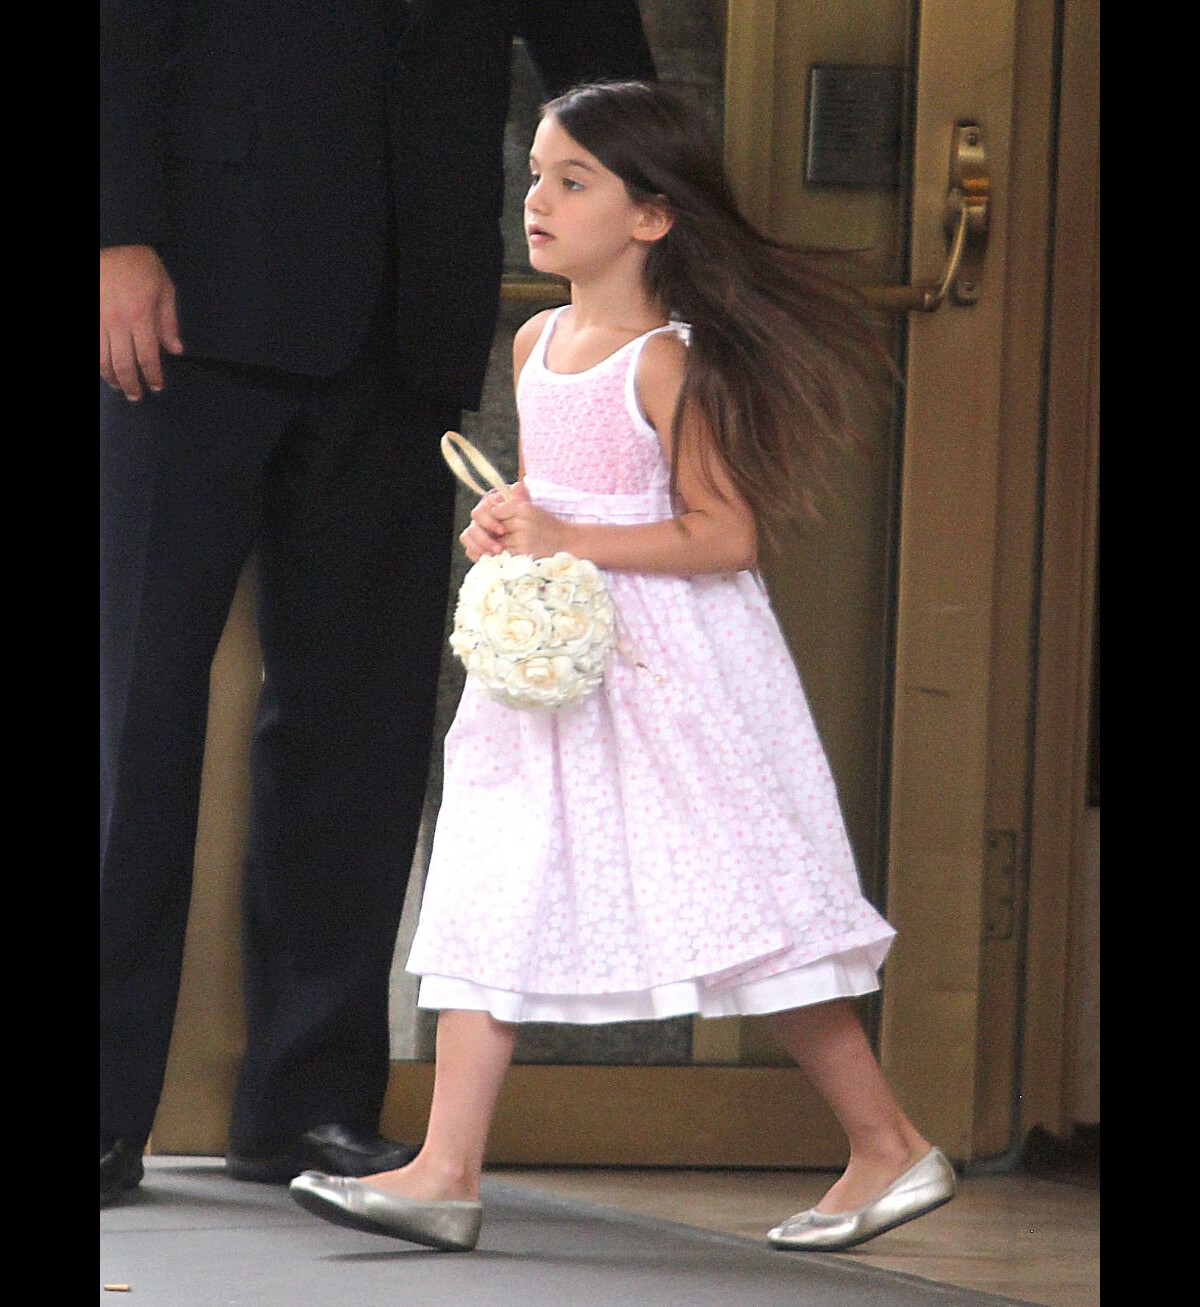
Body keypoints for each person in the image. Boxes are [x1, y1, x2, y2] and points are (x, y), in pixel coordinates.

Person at [288, 79, 957, 1254]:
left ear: (652, 215)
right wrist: (510, 521)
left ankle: (888, 1141)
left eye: (572, 181)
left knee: (746, 900)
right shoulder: (539, 340)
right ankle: (445, 1165)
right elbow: (558, 503)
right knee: (484, 879)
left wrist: (567, 534)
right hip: (549, 675)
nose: (536, 200)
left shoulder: (669, 358)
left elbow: (723, 535)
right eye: (536, 174)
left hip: (670, 674)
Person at [100, 4, 655, 1208]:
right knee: (128, 714)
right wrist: (114, 235)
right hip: (180, 301)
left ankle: (309, 1104)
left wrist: (672, 238)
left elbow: (599, 52)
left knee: (359, 729)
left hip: (411, 315)